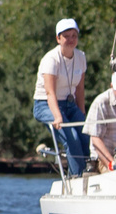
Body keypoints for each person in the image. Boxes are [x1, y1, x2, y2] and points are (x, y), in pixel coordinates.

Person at [36, 17, 89, 176]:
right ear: (58, 39)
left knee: (86, 134)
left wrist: (82, 114)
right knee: (71, 137)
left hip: (69, 103)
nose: (71, 39)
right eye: (66, 36)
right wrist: (58, 117)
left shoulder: (80, 57)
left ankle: (90, 173)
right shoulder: (51, 59)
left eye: (74, 35)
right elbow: (49, 92)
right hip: (46, 104)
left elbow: (79, 88)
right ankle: (76, 177)